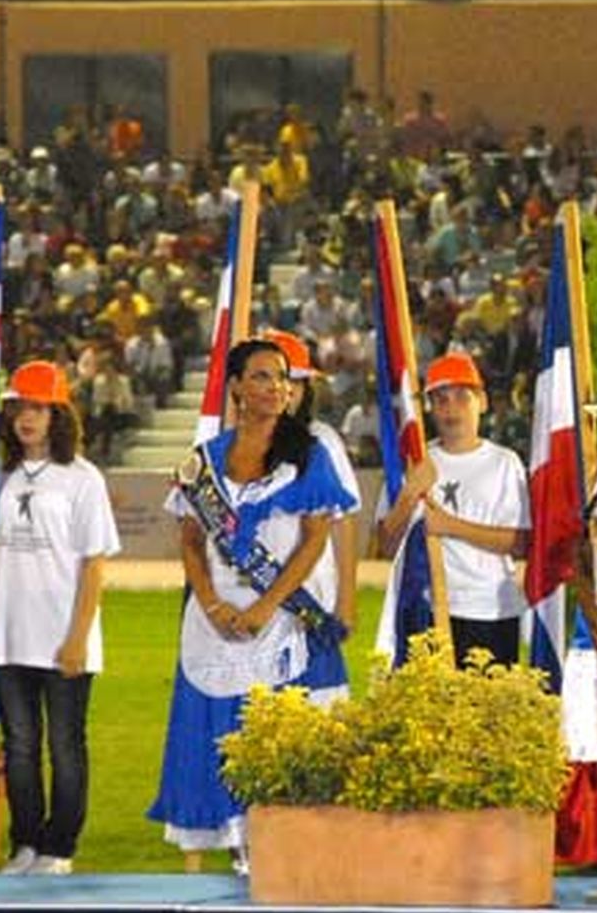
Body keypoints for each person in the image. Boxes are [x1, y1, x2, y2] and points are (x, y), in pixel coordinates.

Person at [148, 339, 357, 867]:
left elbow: (315, 540)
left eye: (282, 378)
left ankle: (288, 843)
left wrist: (266, 607)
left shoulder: (309, 455)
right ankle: (242, 846)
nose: (277, 387)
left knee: (286, 730)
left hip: (282, 617)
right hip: (216, 621)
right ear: (236, 386)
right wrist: (213, 602)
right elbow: (191, 540)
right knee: (225, 729)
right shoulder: (203, 462)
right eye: (262, 376)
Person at [0, 361, 120, 875]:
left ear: (58, 415)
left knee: (64, 745)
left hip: (62, 637)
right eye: (18, 410)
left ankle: (60, 848)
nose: (26, 419)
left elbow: (93, 562)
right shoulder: (1, 480)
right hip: (9, 637)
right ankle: (25, 843)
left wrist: (77, 637)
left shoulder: (82, 480)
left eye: (37, 408)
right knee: (21, 747)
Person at [376, 352, 530, 668]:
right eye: (440, 399)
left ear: (482, 402)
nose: (451, 408)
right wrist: (409, 494)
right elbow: (385, 545)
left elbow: (520, 542)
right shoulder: (415, 463)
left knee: (488, 713)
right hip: (424, 610)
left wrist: (449, 525)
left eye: (463, 396)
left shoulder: (504, 463)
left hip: (490, 610)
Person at [261, 329, 362, 638]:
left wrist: (346, 598)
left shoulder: (322, 441)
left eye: (294, 381)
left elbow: (343, 522)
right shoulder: (230, 443)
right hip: (246, 596)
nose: (284, 390)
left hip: (311, 595)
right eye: (271, 378)